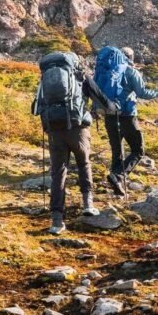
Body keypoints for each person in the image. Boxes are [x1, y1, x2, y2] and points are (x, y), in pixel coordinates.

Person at [33, 51, 112, 235]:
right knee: (84, 163)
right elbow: (100, 98)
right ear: (75, 63)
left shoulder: (45, 80)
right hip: (77, 128)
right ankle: (88, 204)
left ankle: (57, 221)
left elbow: (36, 107)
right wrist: (112, 109)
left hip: (53, 129)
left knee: (58, 172)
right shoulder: (79, 76)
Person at [94, 46, 158, 194]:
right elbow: (143, 93)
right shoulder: (131, 72)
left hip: (109, 115)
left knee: (117, 150)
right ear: (131, 57)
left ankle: (116, 181)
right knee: (138, 150)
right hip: (127, 115)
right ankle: (119, 175)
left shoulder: (107, 71)